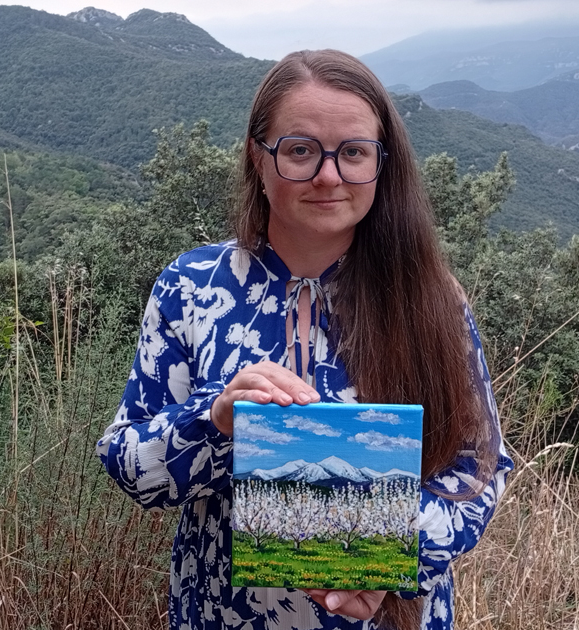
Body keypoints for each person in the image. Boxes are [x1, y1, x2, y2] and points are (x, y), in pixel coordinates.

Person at [97, 49, 513, 630]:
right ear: (258, 159)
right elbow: (128, 464)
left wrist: (384, 562)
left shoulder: (432, 298)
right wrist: (215, 421)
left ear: (380, 165)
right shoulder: (190, 288)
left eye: (354, 153)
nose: (328, 175)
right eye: (300, 150)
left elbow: (479, 471)